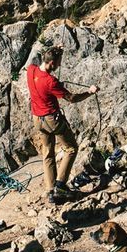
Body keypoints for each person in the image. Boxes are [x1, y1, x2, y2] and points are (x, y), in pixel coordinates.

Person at [27, 44, 98, 204]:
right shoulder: (51, 82)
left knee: (48, 153)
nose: (59, 65)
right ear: (52, 63)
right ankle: (60, 185)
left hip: (37, 119)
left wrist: (54, 48)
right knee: (71, 148)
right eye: (58, 62)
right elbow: (72, 98)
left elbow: (38, 59)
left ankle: (51, 191)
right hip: (52, 119)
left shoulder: (31, 70)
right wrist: (90, 92)